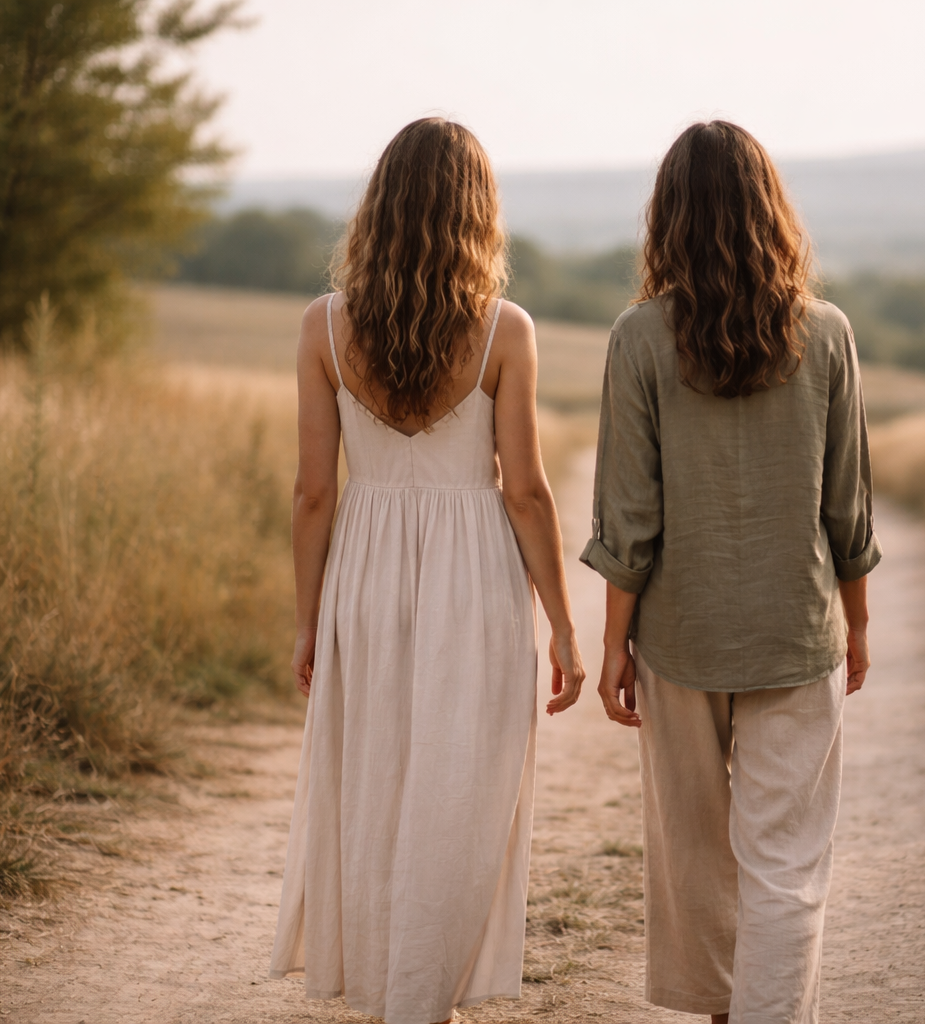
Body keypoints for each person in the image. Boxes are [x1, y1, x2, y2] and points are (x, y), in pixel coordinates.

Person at [270, 117, 585, 1023]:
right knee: (464, 789)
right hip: (475, 577)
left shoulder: (324, 327)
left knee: (373, 777)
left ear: (380, 208)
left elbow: (312, 493)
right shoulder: (504, 331)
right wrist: (564, 626)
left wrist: (307, 619)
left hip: (363, 572)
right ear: (476, 213)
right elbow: (525, 493)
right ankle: (423, 999)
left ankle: (394, 991)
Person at [581, 120, 880, 1024]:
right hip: (797, 629)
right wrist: (857, 625)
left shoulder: (638, 338)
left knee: (698, 860)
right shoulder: (826, 334)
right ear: (771, 214)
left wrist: (614, 645)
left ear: (667, 217)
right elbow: (848, 507)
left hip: (680, 636)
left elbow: (628, 520)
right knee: (786, 865)